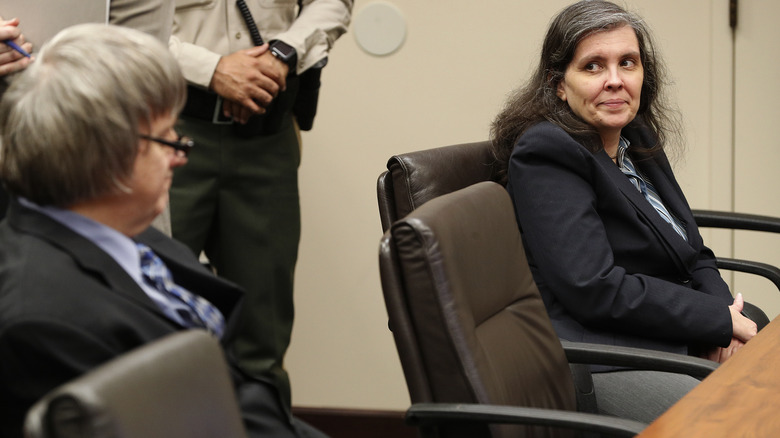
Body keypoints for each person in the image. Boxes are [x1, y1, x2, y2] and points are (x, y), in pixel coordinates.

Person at [0, 24, 324, 438]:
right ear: (107, 153)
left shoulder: (133, 237)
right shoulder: (43, 321)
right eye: (166, 138)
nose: (180, 155)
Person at [489, 0, 758, 423]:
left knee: (756, 345)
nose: (615, 81)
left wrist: (726, 318)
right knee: (732, 415)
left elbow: (692, 251)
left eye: (627, 63)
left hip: (654, 327)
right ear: (559, 84)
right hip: (599, 355)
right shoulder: (547, 151)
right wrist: (715, 321)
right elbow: (594, 287)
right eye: (593, 66)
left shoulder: (634, 136)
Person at [168, 0, 352, 409]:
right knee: (146, 318)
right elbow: (109, 23)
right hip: (166, 127)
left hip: (265, 136)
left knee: (261, 342)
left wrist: (282, 53)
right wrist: (212, 69)